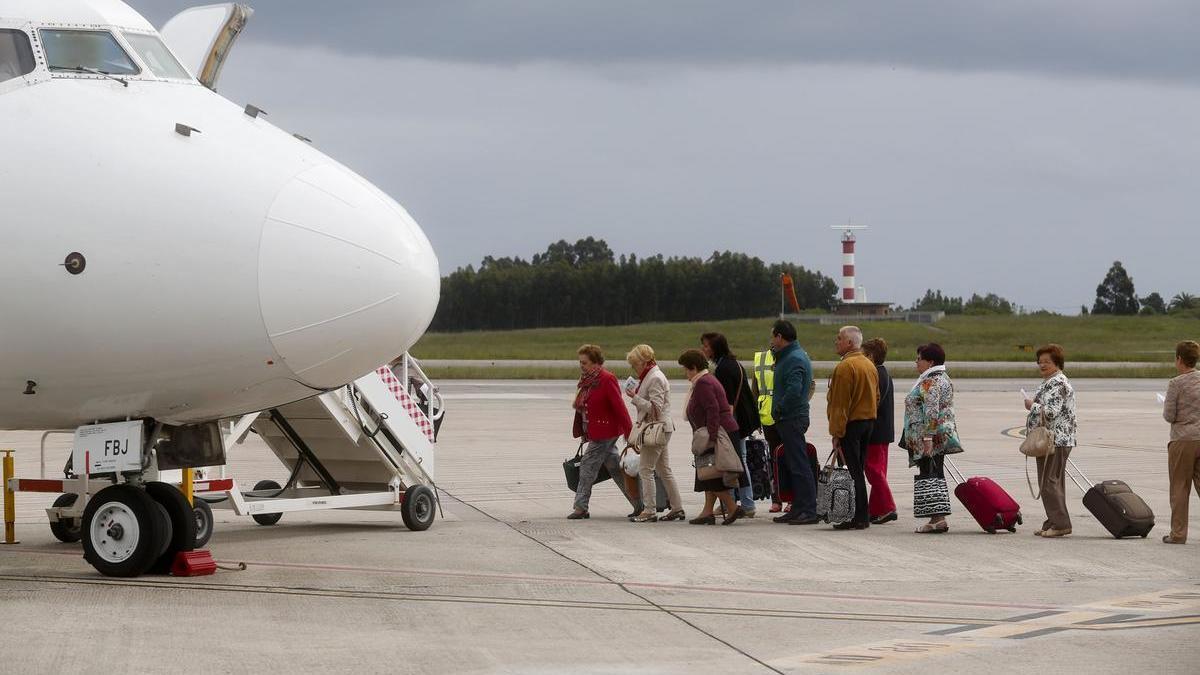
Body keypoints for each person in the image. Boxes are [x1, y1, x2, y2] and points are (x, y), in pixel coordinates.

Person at [569, 344, 641, 520]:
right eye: (580, 362)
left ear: (595, 363)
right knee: (616, 468)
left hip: (605, 432)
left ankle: (580, 507)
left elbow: (619, 407)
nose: (581, 366)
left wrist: (630, 432)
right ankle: (640, 504)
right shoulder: (587, 380)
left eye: (584, 363)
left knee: (587, 467)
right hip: (596, 431)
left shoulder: (606, 379)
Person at [679, 349, 745, 525]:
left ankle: (732, 507)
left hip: (715, 433)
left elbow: (712, 409)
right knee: (708, 474)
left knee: (712, 475)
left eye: (686, 369)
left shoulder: (703, 383)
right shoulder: (706, 380)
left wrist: (712, 438)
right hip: (715, 431)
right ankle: (707, 512)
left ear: (693, 368)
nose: (685, 373)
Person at [903, 343, 963, 534]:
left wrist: (928, 438)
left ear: (930, 362)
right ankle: (937, 517)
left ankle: (937, 518)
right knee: (934, 473)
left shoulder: (931, 381)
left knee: (931, 474)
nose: (916, 361)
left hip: (930, 437)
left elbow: (931, 411)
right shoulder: (941, 378)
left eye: (919, 358)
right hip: (938, 435)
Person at [701, 332, 760, 517]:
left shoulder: (723, 369)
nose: (704, 349)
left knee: (736, 462)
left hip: (735, 422)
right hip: (744, 420)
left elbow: (727, 404)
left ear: (715, 348)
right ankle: (735, 503)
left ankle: (746, 504)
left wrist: (723, 427)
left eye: (706, 346)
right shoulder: (733, 363)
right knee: (737, 461)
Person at [826, 326, 879, 530]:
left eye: (839, 338)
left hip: (851, 426)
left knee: (851, 472)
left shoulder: (845, 367)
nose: (836, 341)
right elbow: (876, 396)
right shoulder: (868, 364)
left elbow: (840, 405)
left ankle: (855, 515)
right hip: (868, 423)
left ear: (849, 343)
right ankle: (861, 514)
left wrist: (836, 433)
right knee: (858, 470)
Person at [624, 344, 684, 522]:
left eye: (635, 364)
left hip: (656, 429)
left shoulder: (655, 377)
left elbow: (655, 409)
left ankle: (649, 510)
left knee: (645, 469)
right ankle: (677, 507)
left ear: (644, 362)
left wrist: (634, 398)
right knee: (664, 470)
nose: (634, 368)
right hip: (661, 428)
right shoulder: (651, 375)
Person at [1023, 344, 1078, 538]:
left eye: (1047, 362)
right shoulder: (1051, 382)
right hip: (1052, 440)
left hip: (1056, 440)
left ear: (1057, 363)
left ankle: (1061, 524)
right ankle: (1053, 520)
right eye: (1040, 362)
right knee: (1051, 482)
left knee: (1049, 483)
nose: (1042, 365)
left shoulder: (1058, 384)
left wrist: (1032, 406)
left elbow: (1051, 412)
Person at [769, 320, 820, 525]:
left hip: (792, 417)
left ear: (780, 337)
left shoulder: (794, 359)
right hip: (789, 417)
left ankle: (809, 509)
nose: (772, 341)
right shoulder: (789, 356)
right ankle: (798, 507)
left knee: (800, 465)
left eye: (773, 336)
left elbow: (794, 390)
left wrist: (779, 408)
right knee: (793, 464)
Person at [1162, 340, 1200, 544]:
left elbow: (1169, 415)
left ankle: (1178, 534)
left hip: (1183, 440)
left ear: (1179, 359)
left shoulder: (1176, 383)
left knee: (1179, 487)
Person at [862, 338, 897, 525]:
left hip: (876, 433)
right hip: (884, 432)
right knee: (879, 472)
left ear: (871, 356)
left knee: (873, 471)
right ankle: (875, 509)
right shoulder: (885, 374)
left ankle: (888, 506)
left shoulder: (875, 374)